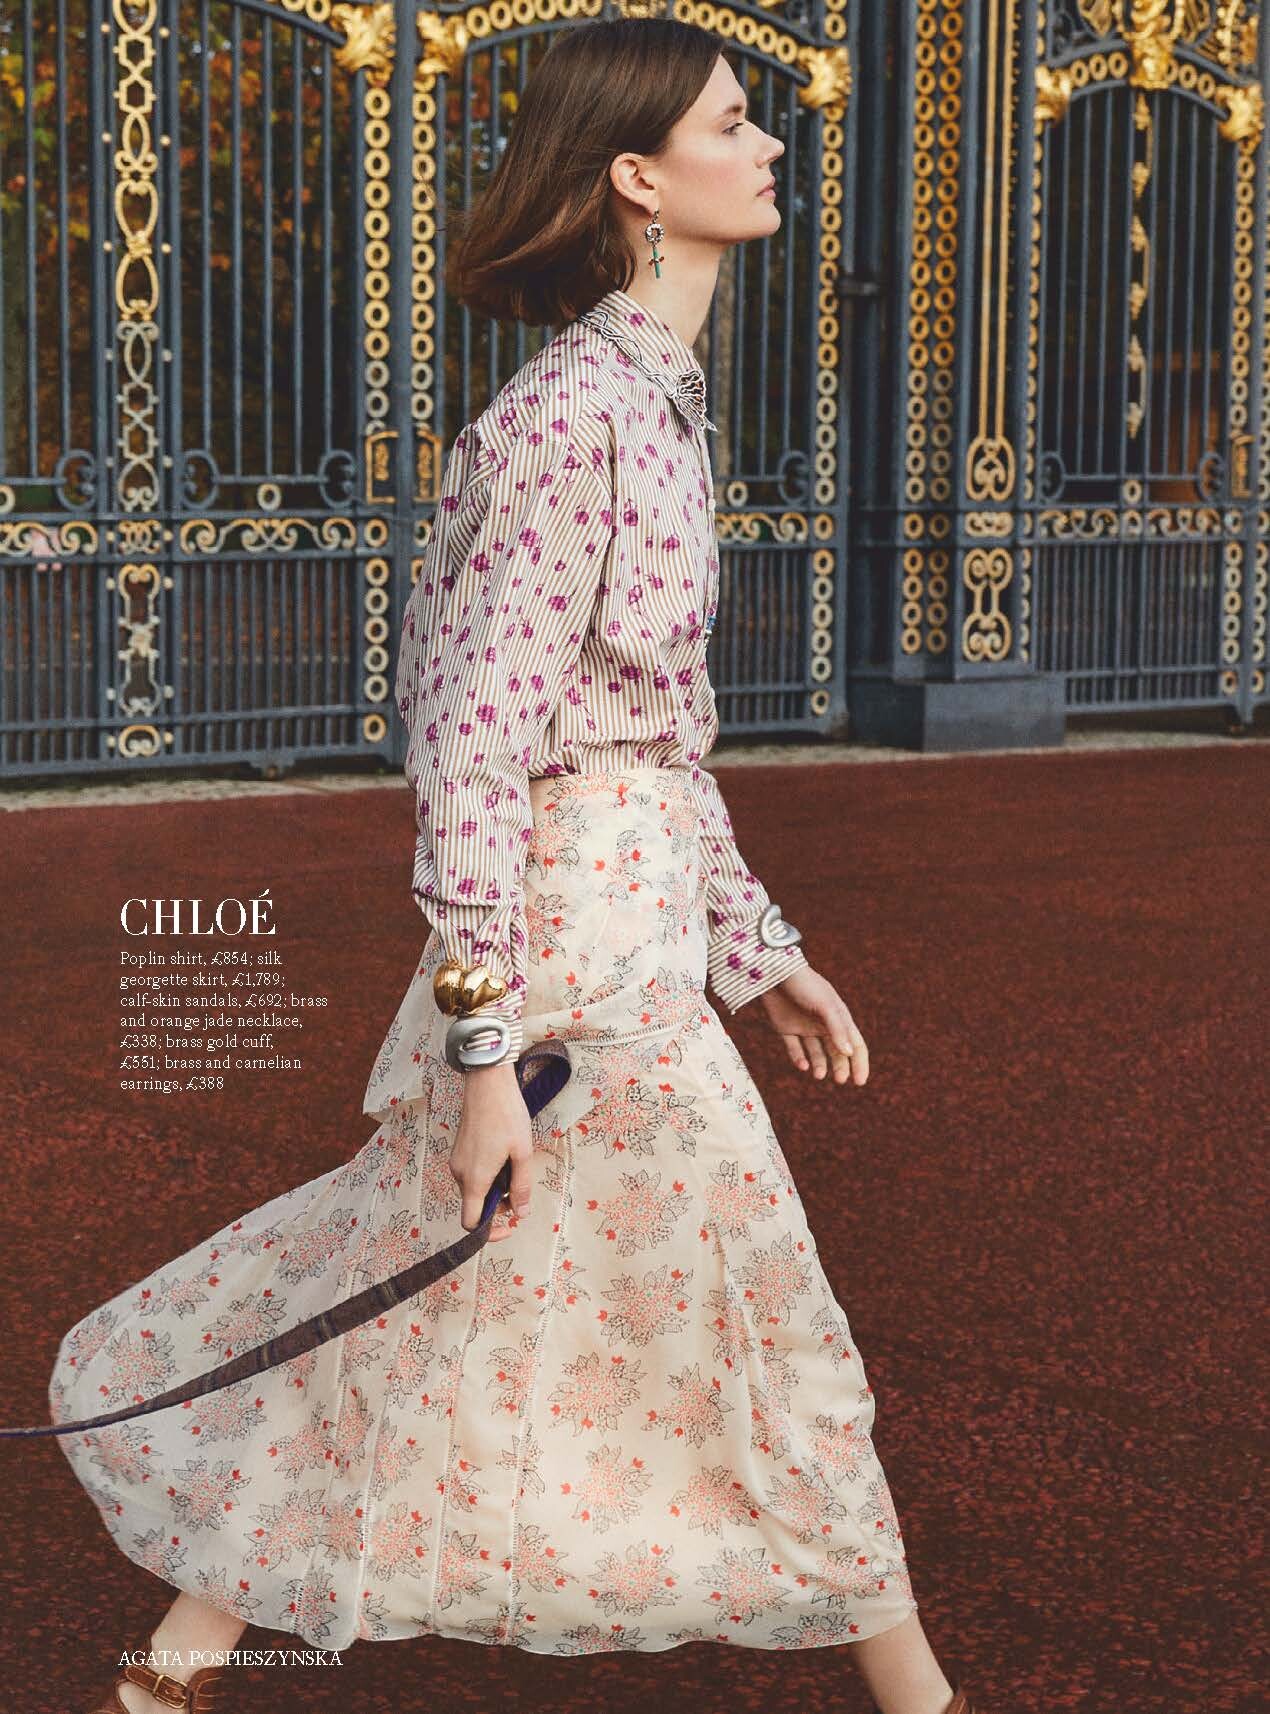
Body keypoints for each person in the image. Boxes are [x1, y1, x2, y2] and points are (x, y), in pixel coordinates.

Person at [52, 18, 979, 1714]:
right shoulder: (566, 422)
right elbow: (471, 747)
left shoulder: (657, 405)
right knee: (751, 1315)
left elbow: (656, 741)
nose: (769, 143)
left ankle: (164, 1678)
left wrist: (758, 949)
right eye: (731, 121)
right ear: (637, 177)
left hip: (639, 947)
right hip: (568, 976)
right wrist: (484, 1050)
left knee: (435, 1303)